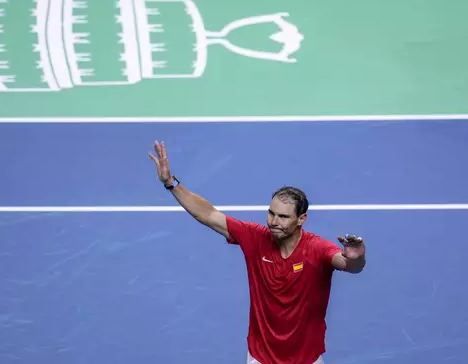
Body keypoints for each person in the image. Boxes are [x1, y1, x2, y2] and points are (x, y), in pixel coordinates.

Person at [148, 140, 366, 364]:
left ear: (302, 219)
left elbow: (350, 266)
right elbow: (209, 214)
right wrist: (171, 183)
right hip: (260, 358)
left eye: (283, 217)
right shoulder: (254, 237)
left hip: (306, 359)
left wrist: (357, 257)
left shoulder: (317, 248)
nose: (274, 221)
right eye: (271, 213)